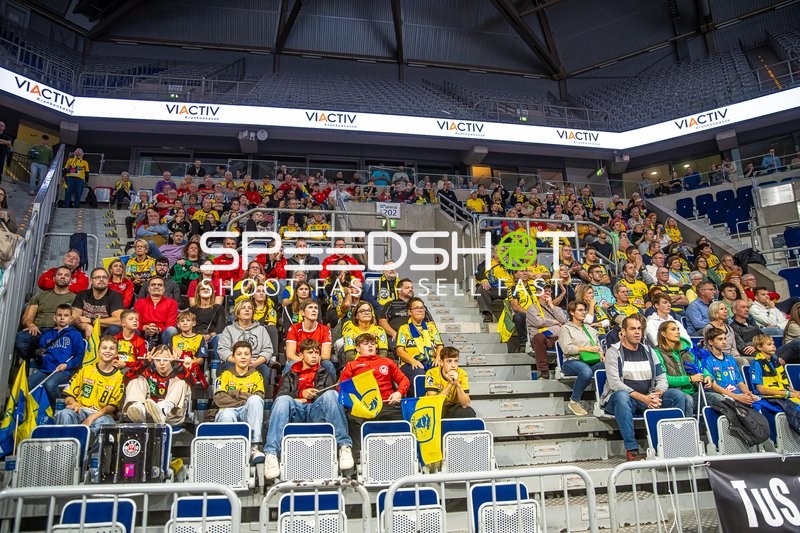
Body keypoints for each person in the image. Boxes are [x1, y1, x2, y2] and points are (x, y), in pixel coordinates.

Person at [599, 315, 692, 461]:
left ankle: (674, 445)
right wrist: (644, 398)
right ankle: (632, 449)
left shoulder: (649, 351)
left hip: (648, 397)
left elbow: (662, 378)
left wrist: (657, 394)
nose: (637, 332)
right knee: (622, 395)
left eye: (639, 329)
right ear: (623, 331)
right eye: (632, 329)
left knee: (678, 396)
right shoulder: (613, 352)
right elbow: (615, 383)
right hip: (623, 399)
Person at [263, 339, 354, 480]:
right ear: (301, 355)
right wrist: (300, 394)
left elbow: (329, 401)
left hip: (316, 410)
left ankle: (344, 447)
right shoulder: (290, 374)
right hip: (296, 410)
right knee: (282, 400)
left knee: (331, 394)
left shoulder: (326, 374)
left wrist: (317, 396)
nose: (314, 356)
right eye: (310, 352)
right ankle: (271, 454)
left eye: (317, 353)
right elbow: (281, 395)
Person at [339, 333, 409, 456]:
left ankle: (401, 455)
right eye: (365, 344)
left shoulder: (387, 362)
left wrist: (399, 392)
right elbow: (342, 389)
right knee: (351, 418)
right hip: (363, 408)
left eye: (372, 343)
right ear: (358, 349)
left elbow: (404, 380)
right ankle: (358, 459)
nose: (370, 346)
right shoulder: (351, 366)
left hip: (386, 404)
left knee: (404, 415)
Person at [54, 336, 124, 433]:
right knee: (64, 414)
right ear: (98, 351)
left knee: (106, 425)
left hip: (101, 414)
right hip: (80, 410)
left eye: (111, 348)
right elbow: (68, 396)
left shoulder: (119, 377)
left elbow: (113, 406)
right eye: (104, 348)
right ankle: (67, 447)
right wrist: (74, 403)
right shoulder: (85, 370)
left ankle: (87, 448)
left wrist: (92, 417)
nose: (107, 351)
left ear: (116, 353)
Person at [213, 341, 265, 462]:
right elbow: (220, 399)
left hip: (247, 413)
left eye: (246, 354)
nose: (243, 357)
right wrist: (245, 400)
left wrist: (234, 394)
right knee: (227, 414)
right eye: (239, 354)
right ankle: (229, 452)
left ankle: (254, 447)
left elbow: (258, 397)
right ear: (233, 357)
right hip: (228, 411)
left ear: (251, 357)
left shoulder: (256, 375)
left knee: (255, 400)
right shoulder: (225, 375)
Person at [28, 304, 85, 407]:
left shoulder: (75, 334)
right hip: (45, 369)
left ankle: (57, 409)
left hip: (64, 370)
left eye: (66, 315)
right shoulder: (48, 334)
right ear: (54, 318)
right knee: (28, 383)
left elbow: (79, 356)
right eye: (59, 315)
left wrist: (67, 365)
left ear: (71, 318)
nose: (62, 318)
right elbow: (41, 350)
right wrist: (40, 355)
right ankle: (34, 410)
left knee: (50, 384)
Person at [16, 266, 76, 362]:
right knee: (21, 338)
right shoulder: (40, 295)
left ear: (71, 279)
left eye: (66, 275)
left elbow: (74, 318)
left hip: (59, 332)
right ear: (54, 278)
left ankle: (42, 358)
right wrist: (31, 325)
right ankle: (36, 359)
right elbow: (27, 318)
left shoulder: (75, 298)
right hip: (38, 330)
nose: (63, 277)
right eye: (60, 274)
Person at [652, 321, 710, 415]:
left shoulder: (686, 351)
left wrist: (708, 376)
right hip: (672, 393)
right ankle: (687, 429)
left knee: (717, 399)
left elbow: (701, 367)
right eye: (673, 329)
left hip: (693, 391)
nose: (678, 332)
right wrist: (690, 379)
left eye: (678, 329)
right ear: (663, 334)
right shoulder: (657, 352)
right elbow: (665, 379)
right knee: (688, 399)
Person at [123, 345, 191, 425]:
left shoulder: (179, 373)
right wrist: (144, 364)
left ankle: (163, 409)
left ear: (171, 359)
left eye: (166, 360)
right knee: (136, 379)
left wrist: (176, 365)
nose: (161, 363)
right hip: (147, 414)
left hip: (171, 416)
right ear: (153, 361)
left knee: (182, 381)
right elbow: (126, 379)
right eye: (158, 360)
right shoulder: (147, 372)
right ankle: (139, 408)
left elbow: (192, 381)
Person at [557, 301, 604, 416]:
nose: (584, 313)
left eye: (584, 310)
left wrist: (602, 354)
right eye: (580, 310)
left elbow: (598, 346)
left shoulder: (590, 329)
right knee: (586, 372)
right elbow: (567, 349)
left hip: (591, 360)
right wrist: (586, 349)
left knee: (610, 366)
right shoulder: (565, 328)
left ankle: (605, 400)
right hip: (572, 361)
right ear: (572, 312)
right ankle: (574, 401)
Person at [396, 297, 443, 395]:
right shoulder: (404, 329)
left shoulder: (431, 327)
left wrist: (438, 358)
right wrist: (413, 361)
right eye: (416, 308)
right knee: (420, 373)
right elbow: (400, 351)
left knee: (444, 369)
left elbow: (440, 346)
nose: (420, 310)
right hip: (410, 363)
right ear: (409, 312)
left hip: (431, 361)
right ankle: (421, 404)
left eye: (422, 308)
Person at [703, 327, 759, 407]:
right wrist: (737, 397)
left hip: (738, 394)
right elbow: (714, 386)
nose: (724, 342)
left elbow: (740, 382)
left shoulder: (731, 359)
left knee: (758, 401)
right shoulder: (706, 360)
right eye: (720, 339)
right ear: (710, 342)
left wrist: (749, 394)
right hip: (722, 395)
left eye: (725, 339)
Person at [284, 299, 335, 377]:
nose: (314, 310)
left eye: (316, 308)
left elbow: (326, 355)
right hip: (299, 359)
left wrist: (314, 360)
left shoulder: (325, 329)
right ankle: (285, 388)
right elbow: (290, 355)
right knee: (290, 365)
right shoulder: (294, 328)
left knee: (328, 365)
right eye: (310, 307)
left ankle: (331, 389)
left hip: (317, 359)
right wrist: (306, 361)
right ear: (302, 313)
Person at [425, 346, 476, 418]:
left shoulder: (462, 374)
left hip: (453, 407)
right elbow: (434, 403)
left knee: (469, 412)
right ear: (441, 362)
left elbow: (466, 404)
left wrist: (457, 385)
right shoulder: (431, 374)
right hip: (435, 409)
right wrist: (450, 385)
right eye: (449, 361)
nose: (453, 365)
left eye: (456, 361)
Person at [72, 268, 124, 338]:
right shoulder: (82, 294)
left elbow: (119, 320)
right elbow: (75, 318)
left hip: (105, 333)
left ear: (108, 280)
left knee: (115, 329)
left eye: (104, 277)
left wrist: (91, 320)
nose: (101, 279)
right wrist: (86, 326)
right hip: (84, 330)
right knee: (69, 326)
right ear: (91, 281)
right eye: (98, 277)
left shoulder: (115, 296)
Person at [750, 335, 800, 407]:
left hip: (782, 395)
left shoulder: (776, 362)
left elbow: (784, 384)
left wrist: (795, 392)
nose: (773, 346)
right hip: (767, 398)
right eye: (769, 344)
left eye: (773, 344)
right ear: (759, 347)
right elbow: (761, 390)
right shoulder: (756, 364)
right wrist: (788, 394)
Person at [133, 276, 179, 346]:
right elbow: (136, 323)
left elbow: (171, 325)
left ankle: (166, 352)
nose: (156, 287)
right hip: (143, 332)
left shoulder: (172, 303)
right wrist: (145, 328)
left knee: (172, 330)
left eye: (159, 285)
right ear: (149, 289)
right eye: (153, 285)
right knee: (131, 328)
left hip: (162, 333)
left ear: (163, 289)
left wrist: (157, 329)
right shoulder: (139, 302)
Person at [113, 309, 148, 379]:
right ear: (123, 323)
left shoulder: (141, 342)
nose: (135, 321)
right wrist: (116, 362)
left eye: (137, 319)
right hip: (114, 367)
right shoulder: (114, 339)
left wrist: (125, 364)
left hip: (132, 370)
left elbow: (142, 362)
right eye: (131, 319)